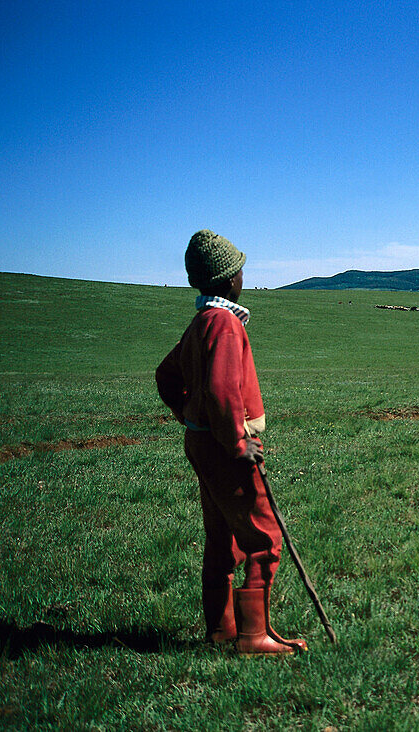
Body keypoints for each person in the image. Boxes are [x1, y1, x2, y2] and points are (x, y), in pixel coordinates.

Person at [156, 230, 305, 656]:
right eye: (240, 269)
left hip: (202, 442)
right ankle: (254, 637)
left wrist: (190, 416)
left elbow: (166, 375)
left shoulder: (201, 321)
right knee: (264, 538)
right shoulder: (224, 324)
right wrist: (237, 442)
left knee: (222, 537)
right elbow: (223, 391)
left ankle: (222, 629)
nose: (243, 275)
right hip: (224, 447)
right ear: (229, 279)